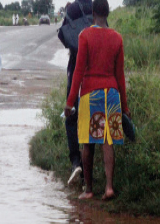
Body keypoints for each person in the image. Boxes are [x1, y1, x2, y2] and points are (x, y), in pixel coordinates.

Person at [64, 0, 130, 201]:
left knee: (87, 142)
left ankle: (89, 189)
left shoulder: (85, 35)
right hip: (111, 95)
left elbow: (78, 71)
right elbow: (120, 76)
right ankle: (109, 188)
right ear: (107, 14)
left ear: (92, 14)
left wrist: (70, 102)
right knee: (107, 140)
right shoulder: (117, 38)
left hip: (90, 95)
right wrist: (125, 107)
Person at [60, 0, 93, 186]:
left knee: (71, 115)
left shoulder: (72, 8)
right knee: (92, 119)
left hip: (75, 64)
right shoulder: (96, 7)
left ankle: (75, 161)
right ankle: (91, 173)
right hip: (95, 66)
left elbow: (64, 37)